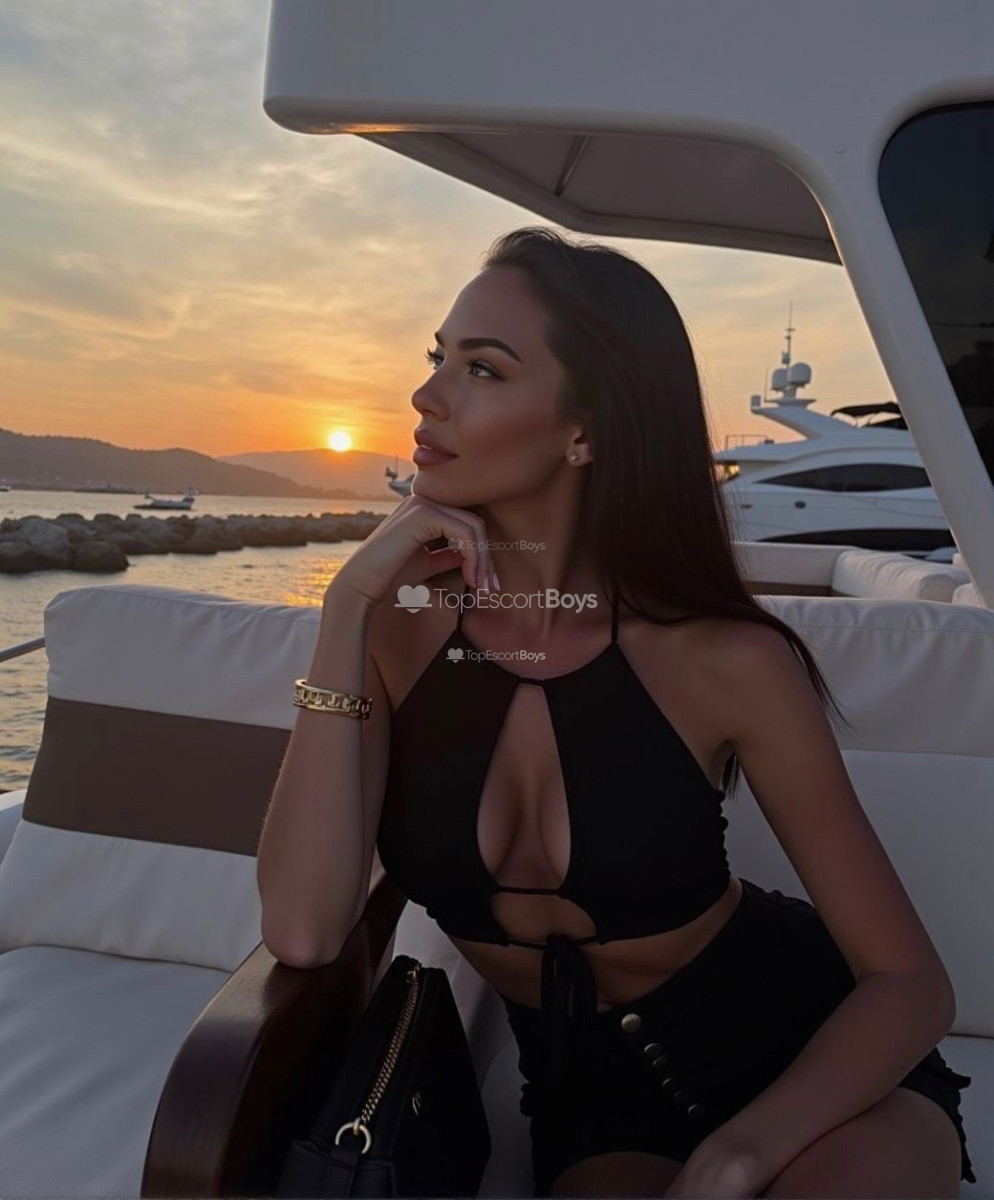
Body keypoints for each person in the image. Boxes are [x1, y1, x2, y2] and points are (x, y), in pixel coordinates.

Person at [257, 226, 974, 1198]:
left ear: (584, 432)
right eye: (437, 357)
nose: (427, 394)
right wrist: (345, 606)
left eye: (482, 368)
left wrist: (741, 1153)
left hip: (805, 1064)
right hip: (594, 1101)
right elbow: (303, 931)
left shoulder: (725, 659)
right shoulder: (392, 630)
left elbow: (909, 983)